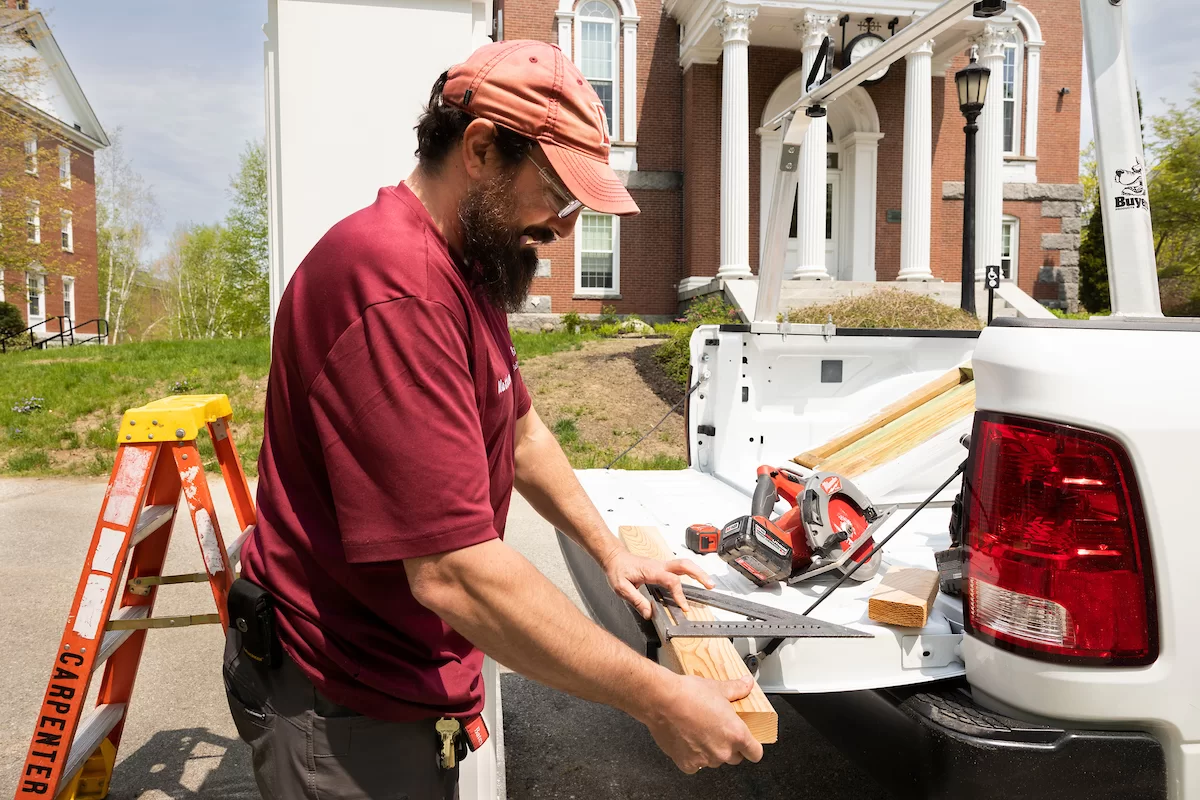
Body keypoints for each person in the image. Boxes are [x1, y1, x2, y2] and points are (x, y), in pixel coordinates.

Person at [222, 39, 762, 800]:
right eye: (559, 195)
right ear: (480, 149)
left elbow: (518, 428)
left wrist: (610, 552)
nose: (566, 228)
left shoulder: (465, 265)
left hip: (400, 677)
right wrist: (657, 695)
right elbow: (456, 573)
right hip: (342, 702)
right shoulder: (394, 289)